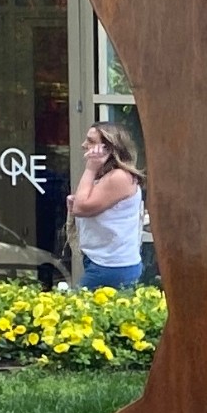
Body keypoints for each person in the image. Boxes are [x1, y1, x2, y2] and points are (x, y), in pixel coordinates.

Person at [68, 123, 146, 289]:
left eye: (90, 141)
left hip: (112, 265)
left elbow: (81, 208)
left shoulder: (119, 177)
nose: (84, 145)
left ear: (108, 148)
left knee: (73, 310)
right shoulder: (108, 176)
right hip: (102, 261)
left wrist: (90, 168)